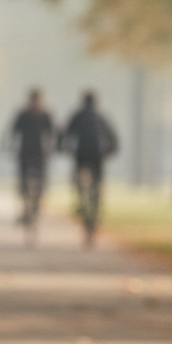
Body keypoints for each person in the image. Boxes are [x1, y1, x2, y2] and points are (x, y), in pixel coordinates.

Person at [59, 91, 118, 244]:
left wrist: (63, 148)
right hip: (98, 155)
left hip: (82, 154)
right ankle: (97, 205)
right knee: (97, 183)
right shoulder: (101, 117)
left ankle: (80, 201)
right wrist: (110, 150)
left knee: (78, 178)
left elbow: (65, 133)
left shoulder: (77, 115)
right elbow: (112, 137)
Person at [6, 89, 55, 238]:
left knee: (33, 181)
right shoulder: (44, 114)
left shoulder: (26, 114)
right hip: (35, 153)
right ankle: (30, 203)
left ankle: (33, 203)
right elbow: (53, 133)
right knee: (31, 180)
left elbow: (13, 132)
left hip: (30, 153)